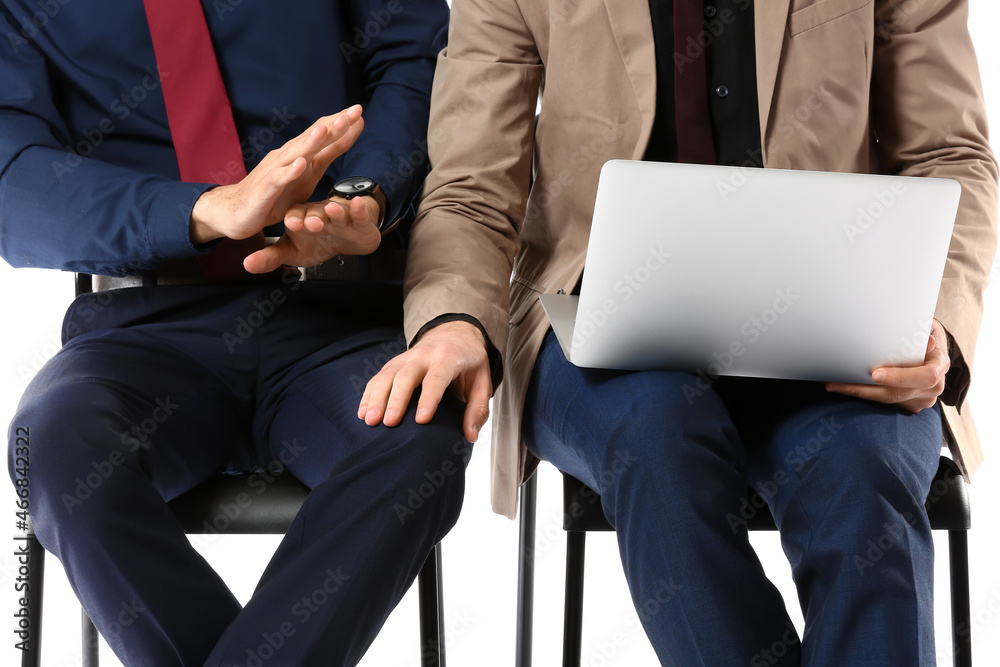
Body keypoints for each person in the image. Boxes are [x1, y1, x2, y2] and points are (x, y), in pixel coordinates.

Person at [361, 0, 999, 663]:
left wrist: (941, 328)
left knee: (864, 479)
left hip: (832, 320)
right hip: (598, 322)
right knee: (656, 434)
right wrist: (454, 319)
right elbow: (471, 188)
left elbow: (948, 152)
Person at [2, 1, 469, 665]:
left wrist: (362, 194)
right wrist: (201, 211)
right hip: (144, 327)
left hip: (337, 315)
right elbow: (11, 176)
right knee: (54, 446)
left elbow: (415, 59)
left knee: (421, 427)